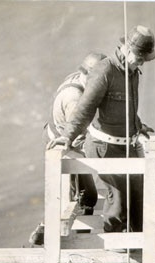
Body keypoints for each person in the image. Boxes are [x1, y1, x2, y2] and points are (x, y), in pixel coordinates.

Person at [46, 25, 155, 233]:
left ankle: (138, 244)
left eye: (144, 58)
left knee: (139, 194)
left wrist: (138, 125)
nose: (141, 61)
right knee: (118, 200)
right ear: (124, 48)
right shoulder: (104, 70)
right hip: (105, 146)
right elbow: (85, 108)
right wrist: (67, 137)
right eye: (138, 56)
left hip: (128, 144)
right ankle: (115, 246)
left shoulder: (133, 72)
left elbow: (126, 106)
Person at [29, 52, 106, 246]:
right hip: (65, 148)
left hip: (57, 138)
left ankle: (48, 231)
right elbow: (77, 133)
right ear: (89, 76)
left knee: (72, 197)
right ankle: (73, 239)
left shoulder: (75, 78)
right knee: (88, 197)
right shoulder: (75, 98)